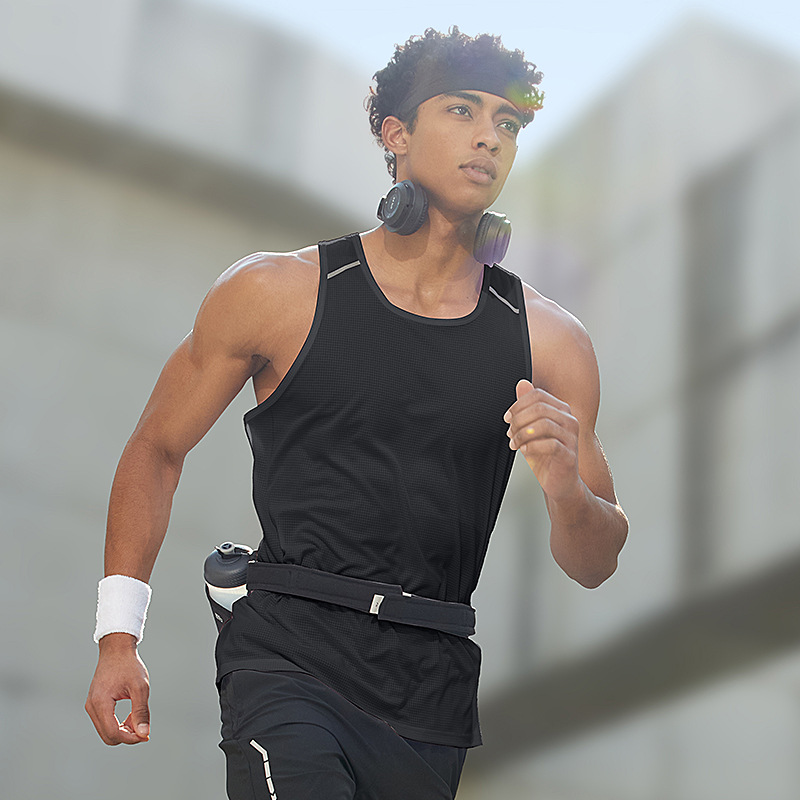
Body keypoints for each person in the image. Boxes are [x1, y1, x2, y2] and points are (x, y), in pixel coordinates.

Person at [86, 26, 628, 799]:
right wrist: (118, 635)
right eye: (462, 110)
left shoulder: (549, 340)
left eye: (508, 123)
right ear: (396, 134)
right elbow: (157, 448)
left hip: (431, 689)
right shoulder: (278, 292)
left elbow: (595, 562)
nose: (489, 136)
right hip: (286, 657)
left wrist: (566, 486)